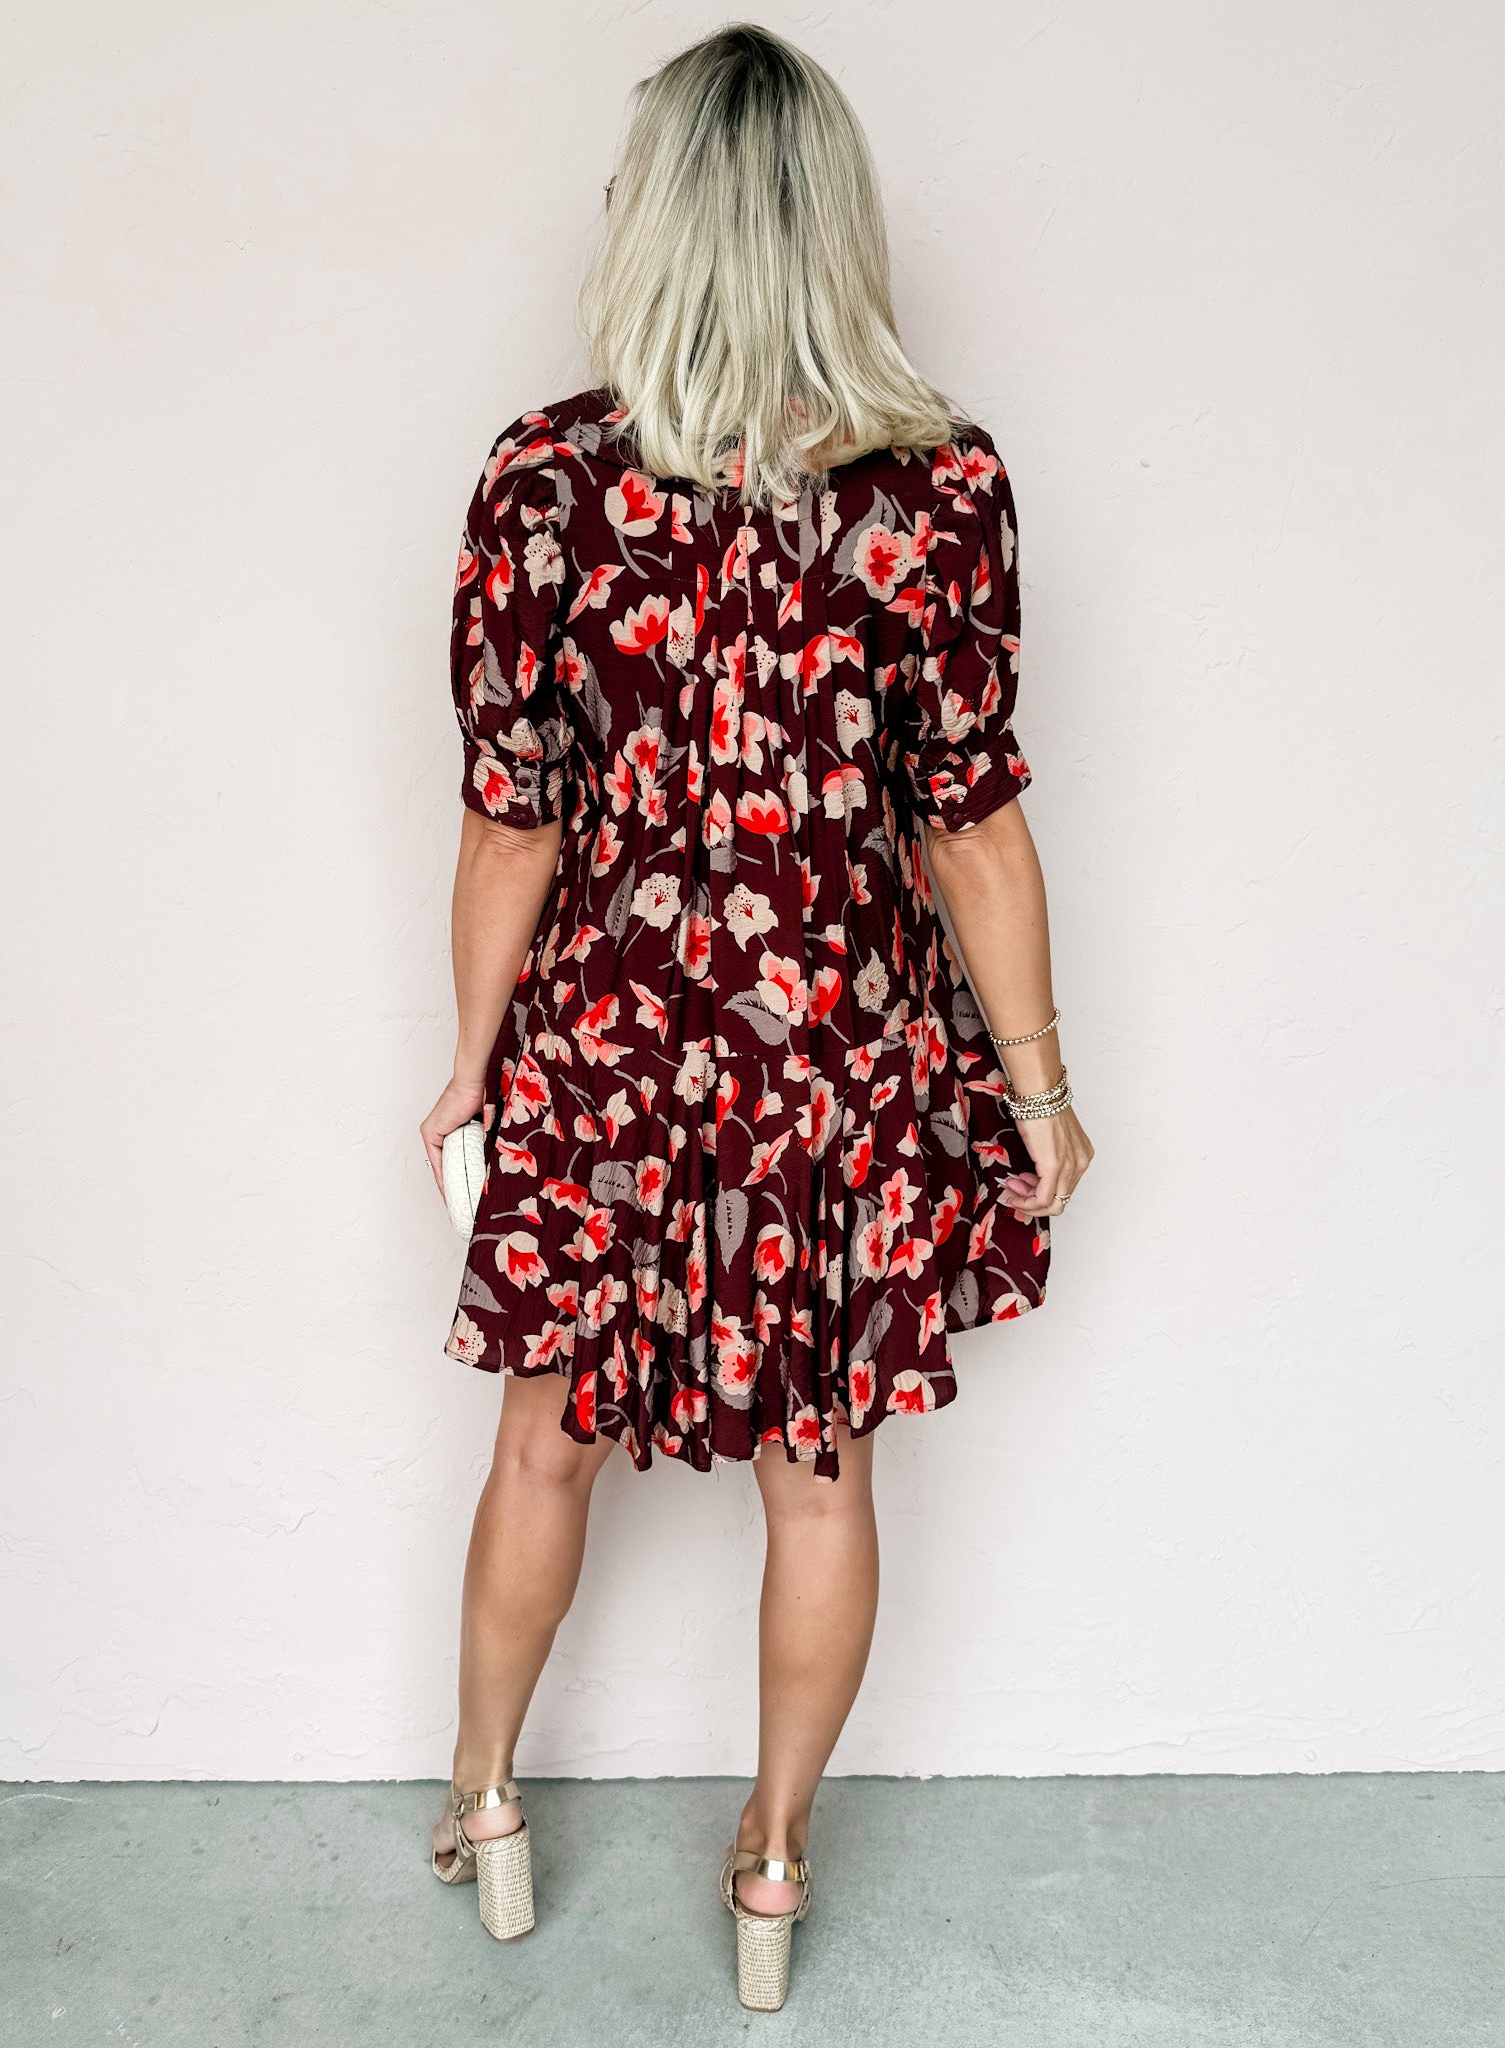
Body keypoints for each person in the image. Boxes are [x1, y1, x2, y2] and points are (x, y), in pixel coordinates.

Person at [419, 21, 1093, 2012]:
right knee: (824, 1476)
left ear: (657, 220)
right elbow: (971, 822)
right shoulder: (937, 489)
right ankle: (776, 1862)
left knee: (542, 1448)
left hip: (606, 1047)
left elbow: (510, 821)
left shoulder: (546, 479)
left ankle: (486, 1797)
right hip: (838, 1056)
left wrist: (469, 1065)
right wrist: (1040, 1089)